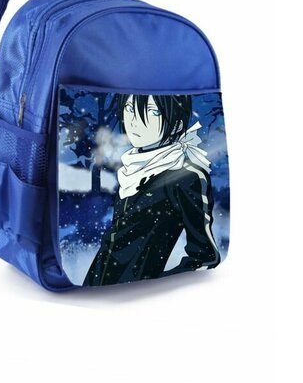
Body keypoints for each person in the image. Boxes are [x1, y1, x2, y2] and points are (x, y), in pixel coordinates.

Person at [82, 93, 220, 286]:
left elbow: (205, 257)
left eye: (152, 112)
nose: (135, 121)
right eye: (129, 109)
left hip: (139, 294)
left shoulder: (185, 176)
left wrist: (155, 285)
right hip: (95, 286)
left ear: (177, 124)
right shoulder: (130, 170)